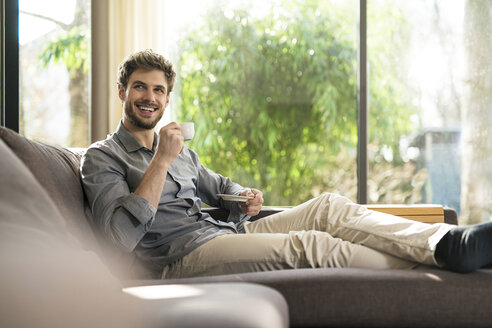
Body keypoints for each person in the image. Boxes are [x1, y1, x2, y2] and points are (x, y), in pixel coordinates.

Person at [81, 49, 492, 279]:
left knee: (326, 207)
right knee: (313, 246)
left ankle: (446, 242)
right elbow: (119, 239)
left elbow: (217, 185)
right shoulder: (101, 158)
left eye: (158, 90)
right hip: (178, 257)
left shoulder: (179, 149)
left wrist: (243, 197)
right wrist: (160, 160)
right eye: (140, 87)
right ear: (122, 91)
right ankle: (444, 259)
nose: (149, 97)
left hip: (225, 230)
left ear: (167, 98)